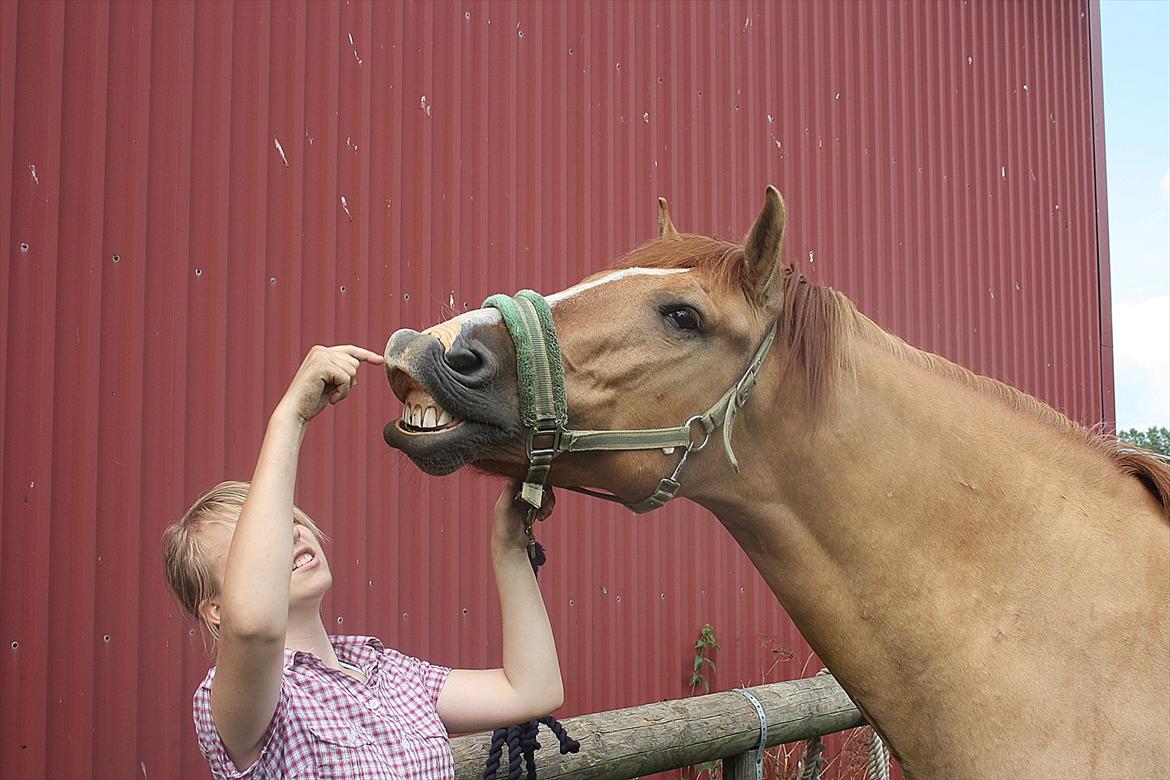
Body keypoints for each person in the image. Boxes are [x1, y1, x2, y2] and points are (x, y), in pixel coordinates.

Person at [162, 344, 563, 779]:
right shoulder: (244, 706)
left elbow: (532, 690)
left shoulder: (384, 670)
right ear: (217, 609)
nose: (292, 532)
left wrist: (508, 550)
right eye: (258, 538)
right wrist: (291, 418)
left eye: (291, 520)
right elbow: (255, 626)